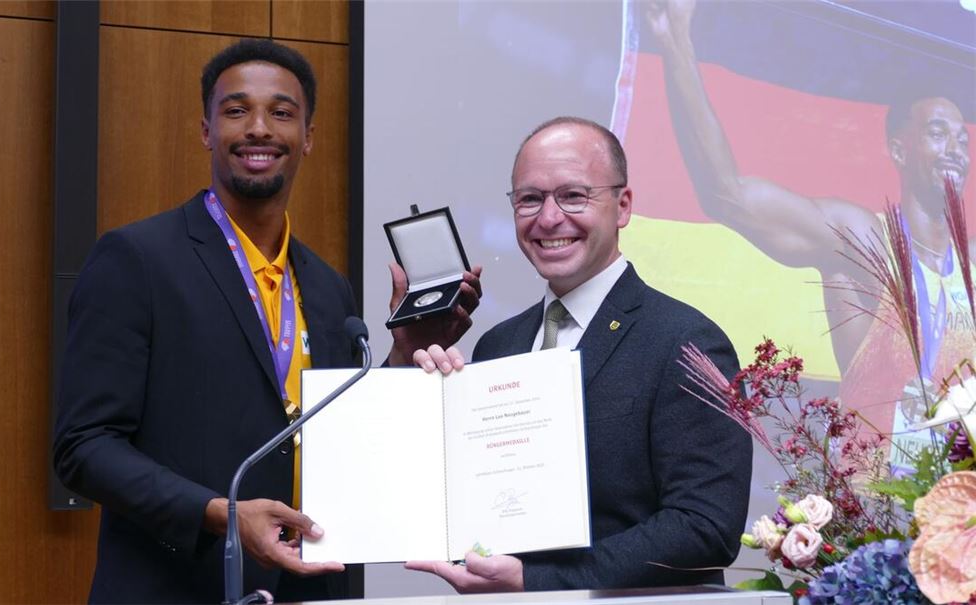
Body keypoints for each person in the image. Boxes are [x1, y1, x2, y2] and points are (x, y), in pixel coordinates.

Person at [52, 39, 479, 604]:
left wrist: (403, 357)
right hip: (173, 588)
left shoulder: (327, 288)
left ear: (307, 137)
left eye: (282, 113)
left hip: (310, 588)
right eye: (236, 111)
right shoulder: (136, 259)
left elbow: (340, 443)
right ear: (207, 130)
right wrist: (221, 515)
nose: (259, 128)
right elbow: (83, 447)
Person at [405, 117, 751, 592]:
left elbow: (705, 527)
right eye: (530, 199)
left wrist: (541, 581)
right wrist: (415, 376)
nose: (548, 219)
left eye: (573, 196)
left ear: (622, 206)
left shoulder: (687, 342)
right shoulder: (497, 346)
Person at [646, 0, 973, 459]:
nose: (956, 149)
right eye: (939, 133)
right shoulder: (863, 242)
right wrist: (675, 42)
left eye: (963, 138)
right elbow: (727, 195)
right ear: (899, 150)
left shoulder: (972, 266)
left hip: (960, 506)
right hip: (877, 506)